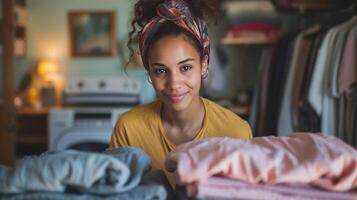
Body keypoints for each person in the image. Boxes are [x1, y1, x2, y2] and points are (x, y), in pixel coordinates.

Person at [110, 0, 252, 188]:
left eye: (185, 67)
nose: (174, 84)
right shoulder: (128, 129)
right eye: (160, 71)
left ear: (203, 65)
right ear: (149, 71)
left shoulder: (236, 131)